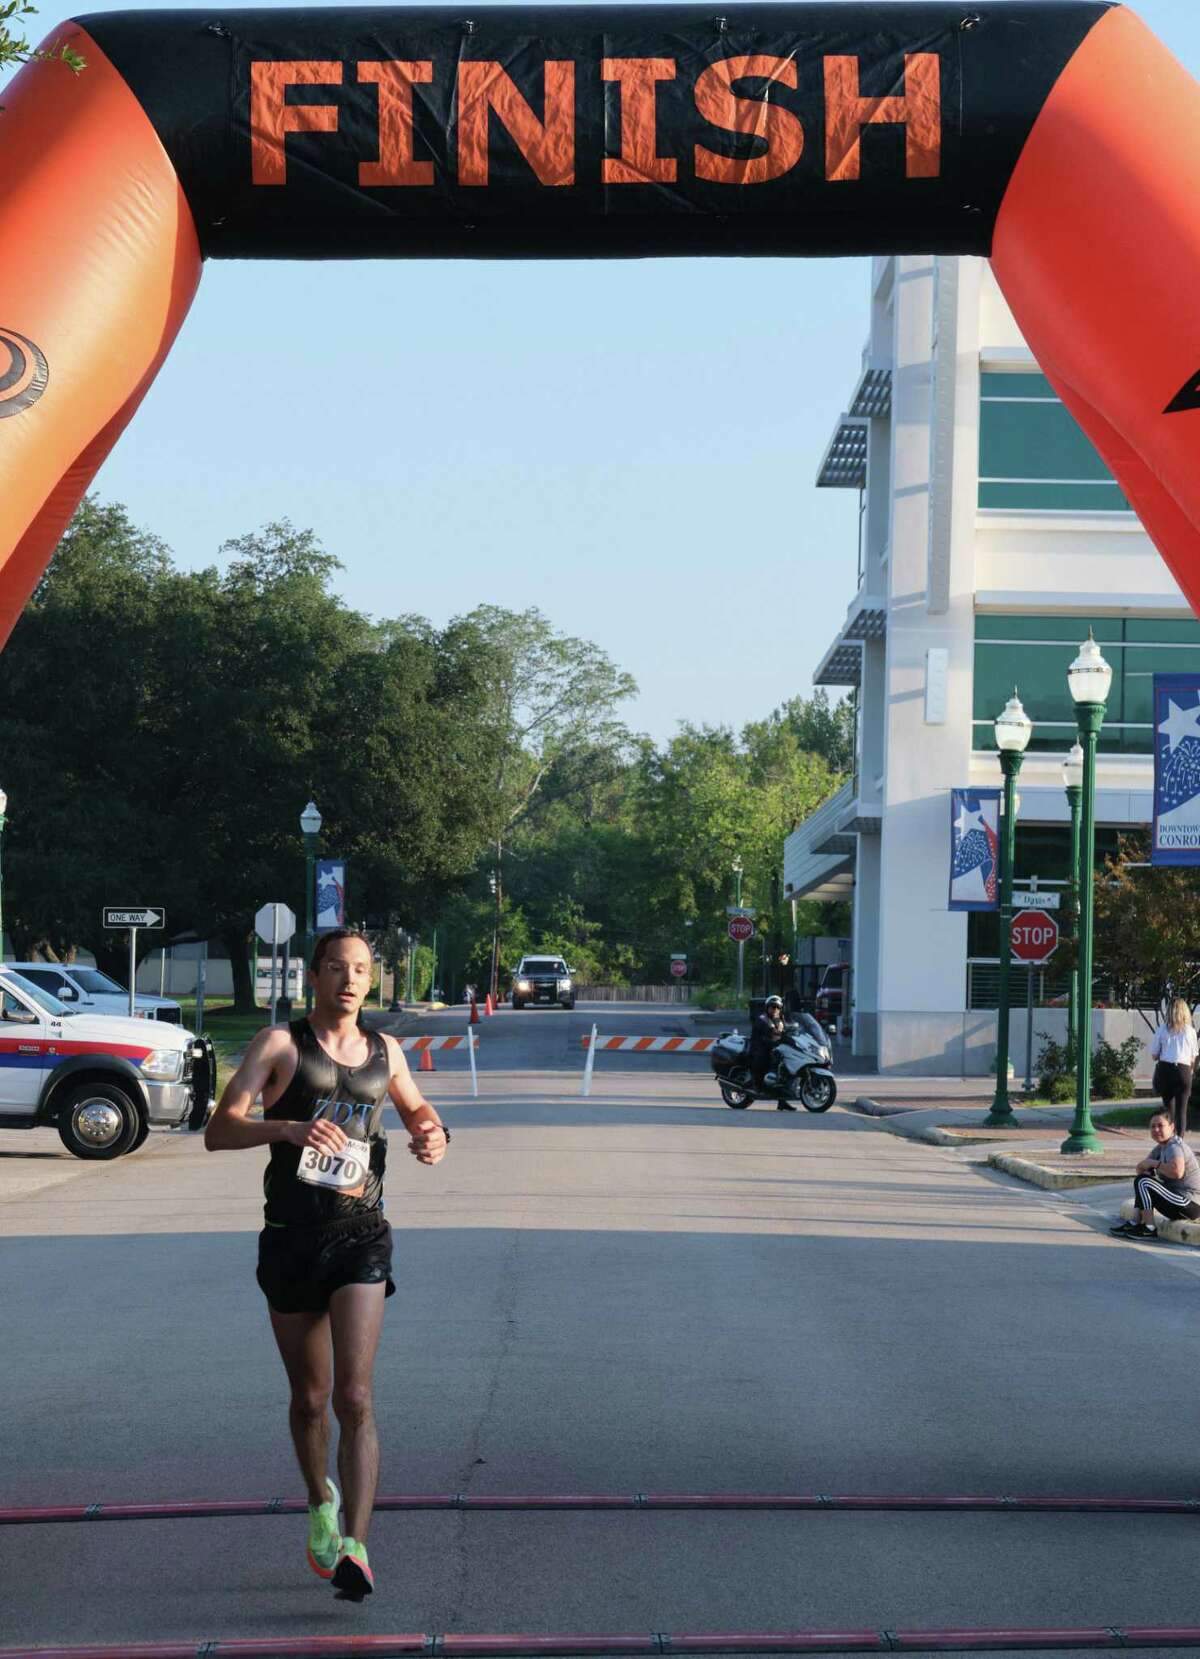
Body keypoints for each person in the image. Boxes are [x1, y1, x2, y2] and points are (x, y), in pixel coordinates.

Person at [204, 927, 450, 1600]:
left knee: (355, 1394)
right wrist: (284, 1127)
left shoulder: (387, 1049)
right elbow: (218, 1129)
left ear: (371, 980)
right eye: (337, 967)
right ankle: (320, 1500)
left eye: (362, 969)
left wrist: (434, 1132)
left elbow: (417, 1107)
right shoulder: (280, 1045)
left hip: (360, 1235)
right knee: (311, 1398)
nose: (350, 978)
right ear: (312, 975)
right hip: (290, 1236)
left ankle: (357, 1546)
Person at [1110, 1107, 1200, 1240]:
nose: (1156, 1130)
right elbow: (1141, 1168)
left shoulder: (1175, 1147)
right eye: (1153, 1126)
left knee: (1143, 1181)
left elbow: (1177, 1173)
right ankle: (1135, 1223)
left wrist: (1155, 1164)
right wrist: (1148, 1166)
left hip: (1189, 1204)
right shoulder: (1161, 1148)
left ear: (1172, 1127)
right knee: (1143, 1179)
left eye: (1160, 1126)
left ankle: (1149, 1228)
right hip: (1176, 1200)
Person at [1148, 997, 1198, 1135]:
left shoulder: (1162, 1029)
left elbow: (1153, 1055)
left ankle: (1168, 1139)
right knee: (1182, 1110)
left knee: (1169, 1110)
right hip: (1184, 1070)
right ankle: (1179, 1141)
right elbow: (1193, 1056)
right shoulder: (1190, 1031)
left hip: (1166, 1069)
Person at [749, 994, 794, 1110]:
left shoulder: (781, 1019)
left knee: (785, 1069)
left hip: (775, 1047)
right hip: (761, 1047)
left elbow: (788, 1029)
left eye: (777, 1007)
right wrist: (775, 1036)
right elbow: (766, 1032)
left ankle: (782, 1101)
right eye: (772, 1007)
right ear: (767, 1008)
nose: (775, 1010)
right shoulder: (763, 1019)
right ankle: (757, 1085)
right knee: (763, 1058)